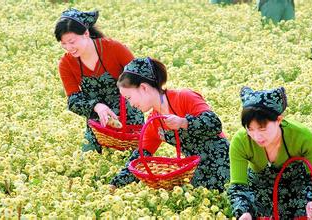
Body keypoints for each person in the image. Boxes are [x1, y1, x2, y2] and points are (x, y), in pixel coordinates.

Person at [109, 57, 230, 191]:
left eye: (129, 98)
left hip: (225, 164)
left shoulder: (184, 97)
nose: (131, 104)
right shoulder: (153, 122)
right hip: (197, 173)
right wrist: (114, 184)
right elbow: (140, 157)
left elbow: (214, 124)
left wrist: (184, 122)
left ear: (143, 88)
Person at [227, 87, 312, 219]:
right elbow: (238, 186)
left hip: (297, 190)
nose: (257, 136)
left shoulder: (302, 136)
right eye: (250, 129)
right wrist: (244, 212)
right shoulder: (241, 141)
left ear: (279, 120)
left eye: (262, 128)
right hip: (260, 190)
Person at [54, 8, 144, 153]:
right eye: (63, 44)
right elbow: (73, 101)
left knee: (131, 161)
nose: (68, 48)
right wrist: (96, 106)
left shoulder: (113, 48)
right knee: (91, 161)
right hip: (97, 122)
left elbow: (141, 76)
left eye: (71, 42)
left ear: (86, 34)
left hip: (129, 117)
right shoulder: (66, 64)